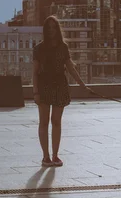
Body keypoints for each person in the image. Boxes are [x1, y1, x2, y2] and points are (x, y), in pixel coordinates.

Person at [32, 15, 93, 167]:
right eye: (49, 28)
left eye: (54, 27)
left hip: (60, 85)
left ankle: (55, 156)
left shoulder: (63, 47)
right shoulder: (39, 49)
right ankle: (45, 157)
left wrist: (82, 85)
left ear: (57, 30)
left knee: (57, 122)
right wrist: (35, 92)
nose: (51, 30)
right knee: (44, 122)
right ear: (45, 30)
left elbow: (70, 67)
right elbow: (34, 72)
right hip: (44, 85)